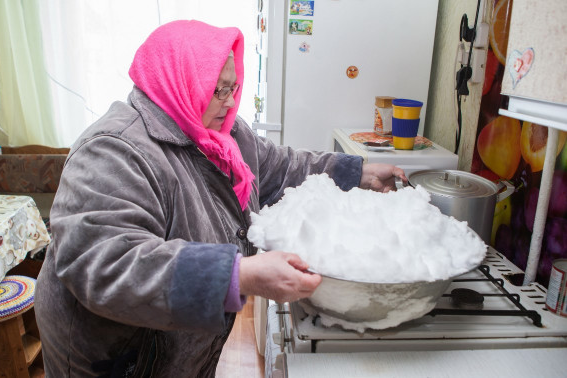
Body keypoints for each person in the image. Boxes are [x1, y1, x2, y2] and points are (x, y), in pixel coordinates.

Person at [35, 19, 407, 377]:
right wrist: (237, 275)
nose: (230, 102)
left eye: (234, 87)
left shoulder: (222, 134)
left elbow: (280, 167)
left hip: (181, 357)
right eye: (218, 89)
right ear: (178, 80)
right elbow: (108, 264)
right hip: (123, 361)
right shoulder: (113, 150)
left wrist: (356, 172)